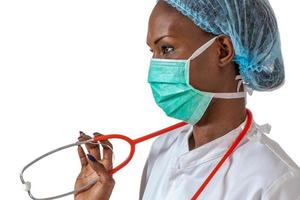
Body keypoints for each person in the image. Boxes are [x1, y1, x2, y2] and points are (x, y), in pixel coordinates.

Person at [74, 0, 300, 199]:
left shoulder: (274, 180)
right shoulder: (163, 149)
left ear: (222, 50)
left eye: (167, 48)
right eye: (152, 51)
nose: (156, 67)